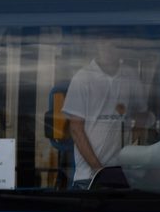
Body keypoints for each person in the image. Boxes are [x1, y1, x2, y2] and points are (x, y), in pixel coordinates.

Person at [62, 33, 152, 187]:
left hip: (122, 174)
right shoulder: (83, 78)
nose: (108, 49)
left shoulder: (130, 76)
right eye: (103, 43)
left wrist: (130, 144)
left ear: (121, 48)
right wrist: (99, 171)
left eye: (114, 44)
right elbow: (76, 129)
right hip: (88, 177)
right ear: (96, 46)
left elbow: (142, 114)